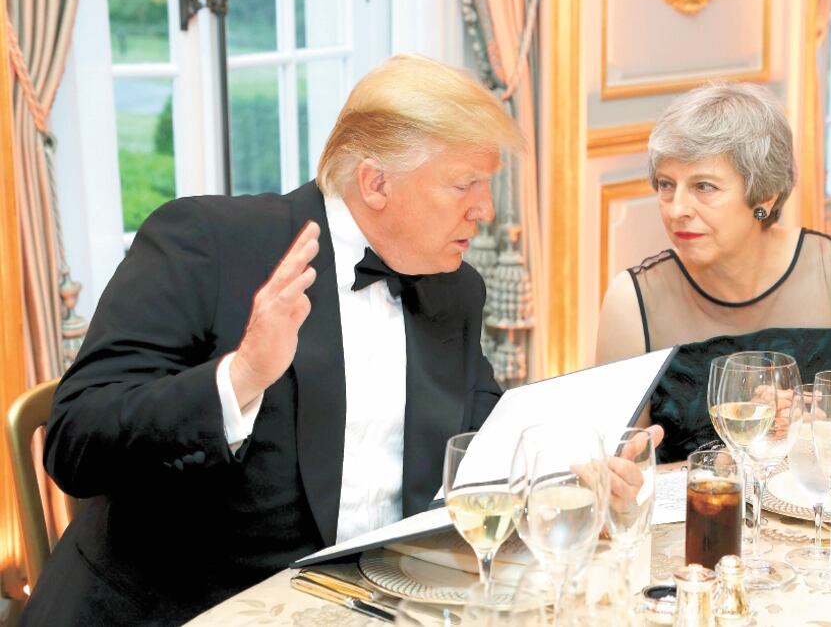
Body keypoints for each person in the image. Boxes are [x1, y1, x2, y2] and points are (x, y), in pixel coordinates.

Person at [22, 55, 523, 626]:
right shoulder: (207, 246)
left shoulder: (453, 290)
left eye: (487, 185)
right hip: (177, 611)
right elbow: (75, 441)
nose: (484, 209)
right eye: (465, 185)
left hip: (373, 604)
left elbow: (485, 434)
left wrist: (568, 463)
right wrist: (239, 379)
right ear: (376, 182)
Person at [595, 82, 831, 463]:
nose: (676, 208)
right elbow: (617, 472)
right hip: (693, 520)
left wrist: (799, 444)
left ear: (764, 198)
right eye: (667, 185)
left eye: (704, 187)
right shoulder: (633, 301)